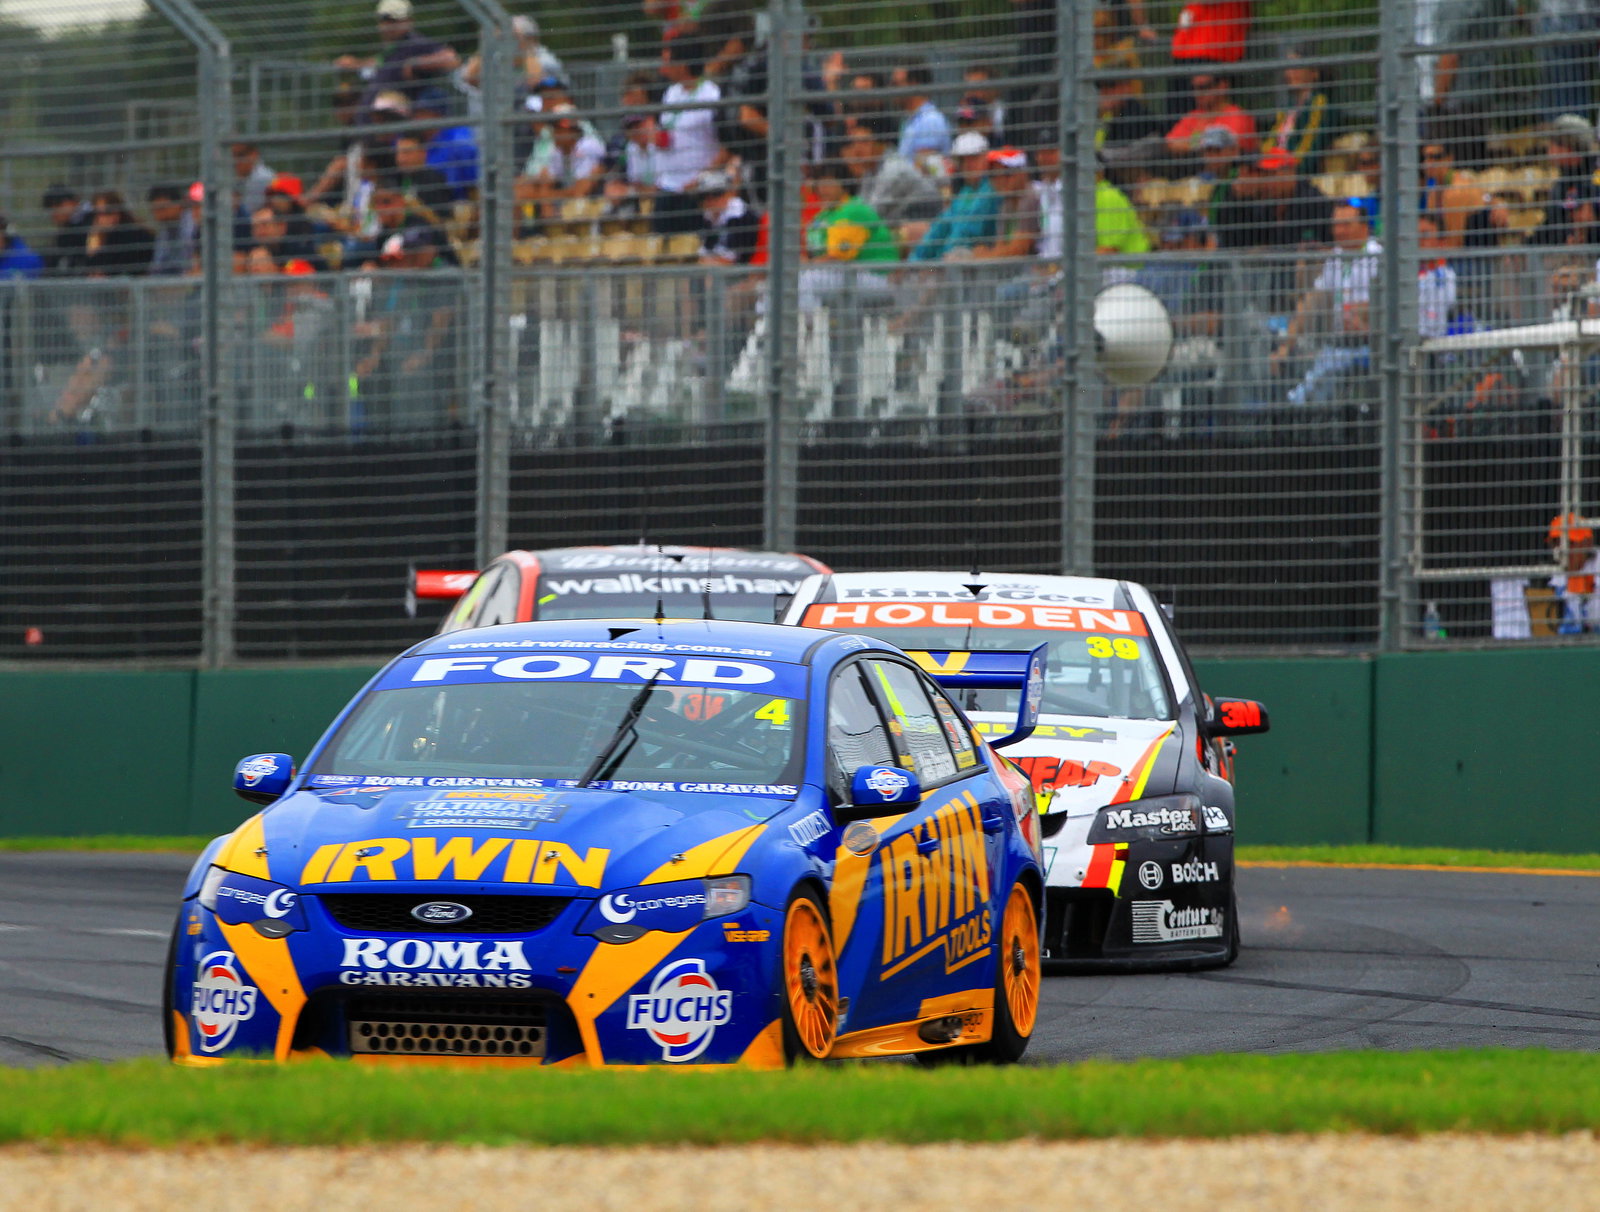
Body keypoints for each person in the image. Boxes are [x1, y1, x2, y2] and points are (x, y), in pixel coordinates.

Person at [1271, 202, 1380, 406]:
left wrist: (1363, 316)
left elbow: (1380, 306)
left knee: (1322, 378)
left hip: (1371, 346)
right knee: (1308, 391)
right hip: (1338, 345)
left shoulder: (1377, 257)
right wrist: (1286, 345)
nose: (1339, 231)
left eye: (1346, 225)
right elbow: (1312, 300)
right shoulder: (1335, 258)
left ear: (1364, 227)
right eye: (1336, 225)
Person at [798, 160, 898, 311]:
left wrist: (805, 265)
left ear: (843, 184)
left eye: (828, 183)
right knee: (776, 284)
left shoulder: (853, 210)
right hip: (842, 276)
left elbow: (837, 258)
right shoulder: (823, 216)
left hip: (877, 277)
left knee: (804, 282)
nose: (823, 189)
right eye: (819, 183)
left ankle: (809, 330)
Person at [337, 0, 462, 120]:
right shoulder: (392, 49)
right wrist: (356, 64)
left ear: (408, 21)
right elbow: (378, 63)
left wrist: (417, 63)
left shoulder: (415, 43)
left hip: (399, 126)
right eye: (385, 20)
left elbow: (451, 59)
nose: (388, 25)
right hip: (377, 126)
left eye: (394, 20)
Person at [653, 37, 726, 235]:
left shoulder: (711, 95)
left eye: (670, 62)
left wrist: (701, 178)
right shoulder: (671, 93)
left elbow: (726, 146)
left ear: (683, 65)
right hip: (667, 186)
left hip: (696, 189)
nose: (665, 68)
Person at [907, 131, 998, 262]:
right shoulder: (964, 193)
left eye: (974, 158)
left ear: (985, 159)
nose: (968, 164)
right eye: (963, 159)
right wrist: (915, 261)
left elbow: (968, 234)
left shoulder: (991, 191)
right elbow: (939, 229)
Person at [1260, 45, 1338, 177]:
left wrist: (1287, 168)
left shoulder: (1319, 103)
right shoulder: (1289, 107)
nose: (1291, 73)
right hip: (1275, 171)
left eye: (1297, 67)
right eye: (1289, 67)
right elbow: (1273, 140)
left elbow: (1310, 146)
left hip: (1294, 174)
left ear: (1314, 73)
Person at [1529, 115, 1600, 248]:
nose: (1549, 150)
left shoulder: (1595, 177)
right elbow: (1550, 225)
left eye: (1553, 144)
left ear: (1569, 147)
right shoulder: (1561, 183)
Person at [1166, 72, 1257, 163]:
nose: (1197, 93)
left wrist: (1193, 143)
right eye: (1194, 88)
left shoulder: (1237, 116)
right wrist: (1199, 144)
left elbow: (1224, 150)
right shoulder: (1193, 116)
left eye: (1203, 87)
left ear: (1222, 87)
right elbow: (1170, 144)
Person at [893, 60, 951, 167]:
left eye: (896, 84)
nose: (892, 90)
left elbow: (925, 169)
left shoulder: (929, 119)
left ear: (914, 84)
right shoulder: (912, 119)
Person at [1547, 512, 1599, 632]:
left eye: (1569, 543)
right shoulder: (1557, 575)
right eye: (1556, 542)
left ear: (1587, 543)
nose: (1561, 549)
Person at [695, 169, 758, 265]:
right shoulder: (707, 216)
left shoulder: (742, 216)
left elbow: (735, 259)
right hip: (712, 268)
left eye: (717, 194)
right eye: (704, 196)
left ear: (730, 193)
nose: (710, 200)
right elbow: (704, 251)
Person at [39, 185, 92, 277]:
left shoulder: (91, 220)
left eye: (56, 208)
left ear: (69, 203)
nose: (53, 215)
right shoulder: (68, 227)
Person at [146, 183, 198, 276]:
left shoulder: (192, 225)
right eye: (154, 211)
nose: (158, 215)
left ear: (178, 204)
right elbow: (156, 266)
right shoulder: (164, 231)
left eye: (162, 209)